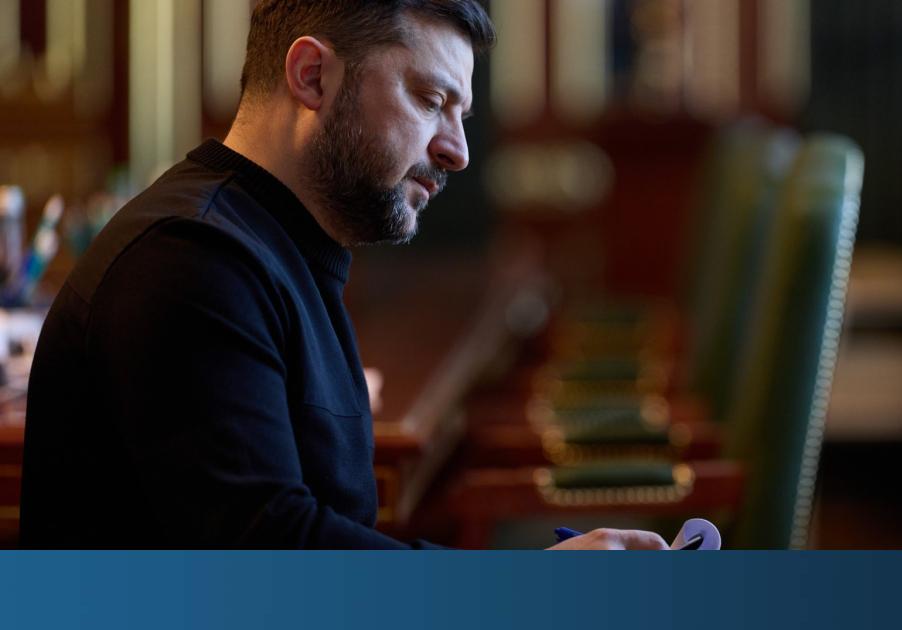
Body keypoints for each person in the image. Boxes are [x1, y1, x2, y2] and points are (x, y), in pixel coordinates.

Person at [19, 0, 667, 551]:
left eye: (461, 116)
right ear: (312, 76)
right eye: (431, 100)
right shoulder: (189, 260)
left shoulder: (274, 243)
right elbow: (276, 561)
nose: (457, 151)